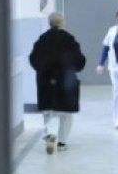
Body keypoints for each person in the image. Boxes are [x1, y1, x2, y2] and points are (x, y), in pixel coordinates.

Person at [29, 12, 86, 154]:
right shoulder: (69, 39)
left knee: (48, 112)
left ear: (49, 23)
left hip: (46, 81)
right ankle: (62, 143)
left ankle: (50, 134)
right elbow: (79, 61)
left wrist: (42, 70)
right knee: (66, 114)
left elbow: (33, 58)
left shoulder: (42, 40)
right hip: (65, 81)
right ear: (62, 23)